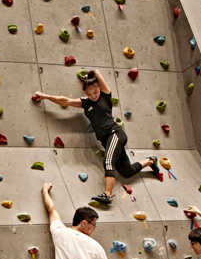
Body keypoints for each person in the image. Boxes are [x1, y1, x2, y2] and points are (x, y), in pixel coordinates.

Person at [34, 69, 160, 205]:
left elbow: (97, 73)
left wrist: (91, 73)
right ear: (85, 94)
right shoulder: (86, 103)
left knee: (108, 161)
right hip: (107, 141)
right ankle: (150, 161)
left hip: (115, 134)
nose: (93, 96)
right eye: (89, 94)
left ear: (99, 88)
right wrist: (45, 96)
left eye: (95, 92)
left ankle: (107, 194)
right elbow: (66, 100)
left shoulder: (105, 96)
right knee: (126, 171)